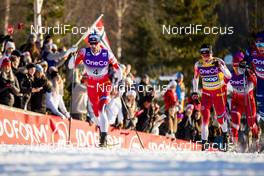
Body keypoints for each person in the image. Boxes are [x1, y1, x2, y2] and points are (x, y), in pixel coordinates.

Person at [68, 31, 122, 147]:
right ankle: (103, 132)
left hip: (104, 84)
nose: (93, 46)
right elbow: (71, 66)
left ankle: (103, 138)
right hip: (91, 85)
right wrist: (72, 54)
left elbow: (118, 69)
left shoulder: (107, 53)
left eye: (95, 43)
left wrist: (117, 83)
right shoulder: (84, 52)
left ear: (99, 43)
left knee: (102, 109)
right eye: (91, 43)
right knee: (97, 114)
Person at [193, 44, 232, 151]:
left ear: (211, 53)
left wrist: (221, 67)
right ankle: (204, 143)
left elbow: (229, 76)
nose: (205, 56)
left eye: (207, 53)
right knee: (204, 117)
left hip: (219, 94)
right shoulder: (198, 64)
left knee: (220, 119)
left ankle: (225, 135)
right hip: (206, 94)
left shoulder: (218, 61)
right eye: (203, 54)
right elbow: (195, 79)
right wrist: (195, 92)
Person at [229, 52, 259, 151]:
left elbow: (255, 82)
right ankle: (235, 145)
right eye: (234, 66)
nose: (236, 69)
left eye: (238, 66)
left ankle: (256, 140)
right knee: (235, 123)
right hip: (236, 102)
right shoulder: (230, 74)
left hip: (249, 102)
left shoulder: (248, 72)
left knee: (251, 124)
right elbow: (224, 86)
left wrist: (248, 74)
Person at [247, 31, 264, 151]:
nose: (260, 48)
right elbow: (246, 60)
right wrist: (244, 64)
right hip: (260, 83)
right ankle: (258, 137)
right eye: (258, 46)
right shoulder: (252, 51)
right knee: (261, 111)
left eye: (262, 46)